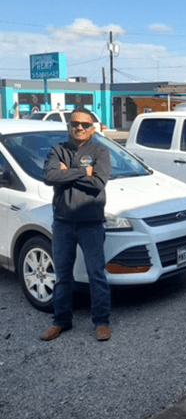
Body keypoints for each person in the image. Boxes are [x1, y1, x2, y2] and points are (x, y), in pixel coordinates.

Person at [41, 107, 112, 341]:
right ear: (69, 126)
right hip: (63, 223)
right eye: (75, 124)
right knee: (62, 276)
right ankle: (61, 321)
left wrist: (68, 173)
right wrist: (84, 172)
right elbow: (50, 176)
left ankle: (101, 321)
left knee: (96, 274)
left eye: (84, 125)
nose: (79, 128)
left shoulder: (101, 151)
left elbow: (98, 183)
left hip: (91, 224)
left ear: (92, 129)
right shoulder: (58, 150)